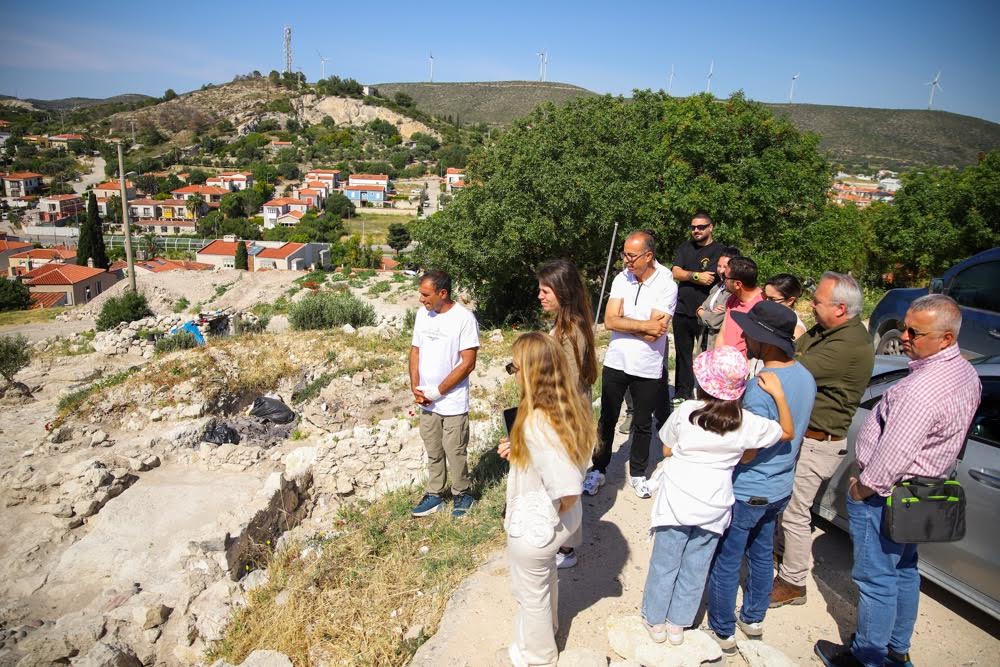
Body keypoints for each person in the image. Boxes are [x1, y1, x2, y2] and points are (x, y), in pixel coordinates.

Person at [814, 295, 981, 667]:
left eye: (914, 332)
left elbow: (893, 456)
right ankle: (895, 647)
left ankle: (869, 658)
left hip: (888, 496)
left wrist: (862, 488)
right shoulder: (965, 372)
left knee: (877, 580)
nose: (903, 336)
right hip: (927, 490)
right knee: (905, 569)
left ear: (946, 339)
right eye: (905, 326)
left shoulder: (921, 391)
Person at [641, 346, 791, 646]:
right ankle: (677, 625)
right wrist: (779, 395)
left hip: (677, 503)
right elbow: (786, 432)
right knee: (696, 567)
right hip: (715, 506)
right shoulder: (746, 422)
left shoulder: (686, 412)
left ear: (702, 383)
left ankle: (654, 620)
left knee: (665, 563)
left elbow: (667, 448)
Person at [704, 302, 815, 652]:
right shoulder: (806, 377)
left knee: (726, 560)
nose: (744, 336)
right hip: (781, 485)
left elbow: (749, 448)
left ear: (766, 341)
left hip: (749, 487)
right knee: (763, 552)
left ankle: (722, 630)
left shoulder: (759, 389)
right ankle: (753, 618)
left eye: (750, 331)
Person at [770, 272, 875, 606]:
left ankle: (793, 581)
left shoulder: (846, 345)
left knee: (795, 512)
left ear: (840, 308)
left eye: (817, 301)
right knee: (784, 504)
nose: (810, 305)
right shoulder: (827, 331)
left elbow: (792, 367)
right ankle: (782, 555)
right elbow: (792, 351)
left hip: (819, 440)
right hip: (805, 435)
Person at [496, 333, 596, 667]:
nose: (513, 373)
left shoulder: (537, 423)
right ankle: (549, 632)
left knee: (530, 595)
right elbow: (559, 459)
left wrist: (545, 517)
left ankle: (538, 656)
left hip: (536, 525)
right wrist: (519, 452)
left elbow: (567, 487)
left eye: (515, 367)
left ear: (531, 372)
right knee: (545, 582)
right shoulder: (568, 408)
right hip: (559, 522)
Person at [584, 231, 677, 499]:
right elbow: (610, 321)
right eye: (624, 254)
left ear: (649, 256)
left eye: (631, 256)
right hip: (617, 360)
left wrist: (629, 322)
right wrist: (643, 323)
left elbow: (655, 333)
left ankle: (637, 474)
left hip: (647, 364)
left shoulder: (667, 283)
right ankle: (598, 469)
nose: (626, 261)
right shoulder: (621, 278)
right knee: (608, 418)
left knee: (643, 422)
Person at [536, 259, 598, 569]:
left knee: (565, 487)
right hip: (566, 419)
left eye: (546, 290)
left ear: (562, 291)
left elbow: (569, 387)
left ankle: (566, 549)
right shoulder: (566, 325)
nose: (540, 295)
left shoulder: (570, 332)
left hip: (567, 422)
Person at [409, 270, 481, 518]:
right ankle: (435, 494)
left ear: (443, 293)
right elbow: (415, 351)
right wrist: (416, 387)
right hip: (427, 400)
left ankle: (463, 493)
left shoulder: (464, 318)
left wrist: (438, 391)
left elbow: (468, 363)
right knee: (433, 449)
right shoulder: (422, 315)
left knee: (455, 449)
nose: (421, 299)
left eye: (425, 294)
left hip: (452, 402)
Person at [671, 213, 724, 404]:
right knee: (682, 354)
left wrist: (687, 274)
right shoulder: (685, 247)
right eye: (693, 227)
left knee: (707, 355)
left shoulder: (719, 250)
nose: (696, 230)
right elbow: (676, 272)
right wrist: (695, 276)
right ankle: (682, 393)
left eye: (701, 227)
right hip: (682, 310)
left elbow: (709, 277)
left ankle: (707, 393)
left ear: (711, 227)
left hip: (707, 313)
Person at [714, 256, 763, 357]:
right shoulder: (732, 299)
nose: (723, 280)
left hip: (745, 368)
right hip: (725, 364)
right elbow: (723, 333)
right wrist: (717, 359)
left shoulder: (763, 306)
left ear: (737, 284)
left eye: (725, 277)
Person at [696, 245, 740, 349]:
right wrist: (702, 312)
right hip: (705, 340)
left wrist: (701, 312)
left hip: (719, 345)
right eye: (719, 266)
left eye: (725, 267)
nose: (720, 270)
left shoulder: (733, 292)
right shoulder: (717, 287)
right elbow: (701, 311)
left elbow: (715, 321)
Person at [762, 274, 808, 338]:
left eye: (772, 299)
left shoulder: (795, 331)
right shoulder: (768, 316)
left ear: (790, 301)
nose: (766, 302)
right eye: (764, 296)